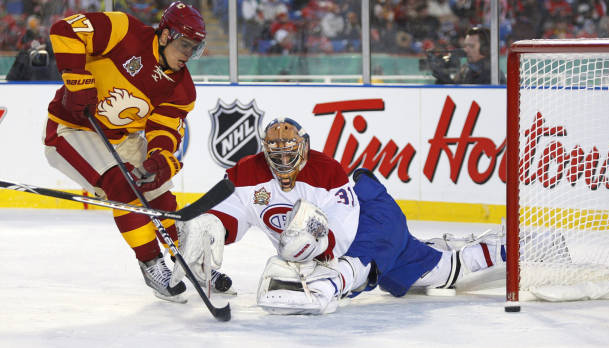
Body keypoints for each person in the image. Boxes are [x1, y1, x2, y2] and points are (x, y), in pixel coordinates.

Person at [178, 117, 506, 315]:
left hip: (373, 212)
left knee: (435, 269)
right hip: (369, 238)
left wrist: (334, 281)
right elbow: (234, 212)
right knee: (431, 272)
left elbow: (343, 237)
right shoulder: (248, 174)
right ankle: (447, 246)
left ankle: (507, 252)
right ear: (264, 149)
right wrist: (212, 225)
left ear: (305, 147)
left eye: (290, 150)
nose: (282, 159)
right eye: (274, 151)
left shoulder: (328, 172)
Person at [42, 1, 231, 302]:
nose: (188, 55)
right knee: (122, 184)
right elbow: (65, 30)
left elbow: (164, 131)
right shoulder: (124, 30)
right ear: (166, 34)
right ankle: (151, 264)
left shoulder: (182, 89)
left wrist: (158, 161)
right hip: (71, 130)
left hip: (122, 138)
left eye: (195, 49)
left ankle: (190, 261)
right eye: (184, 45)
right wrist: (77, 80)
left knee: (160, 196)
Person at [429, 26, 506, 84]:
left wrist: (445, 79)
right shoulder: (466, 69)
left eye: (471, 46)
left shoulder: (494, 76)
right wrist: (442, 77)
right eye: (465, 46)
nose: (466, 50)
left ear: (485, 48)